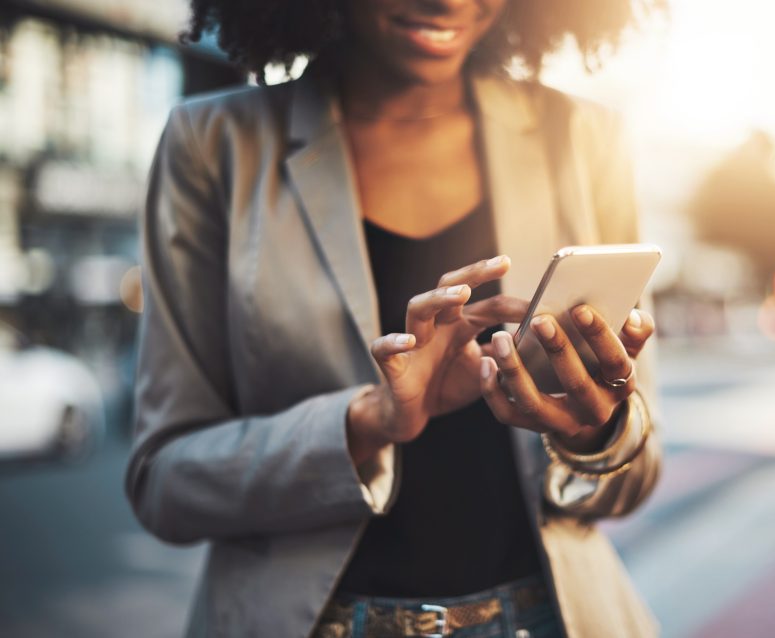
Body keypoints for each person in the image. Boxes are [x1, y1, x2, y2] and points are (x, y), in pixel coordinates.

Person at [125, 1, 663, 636]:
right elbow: (164, 483)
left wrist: (591, 437)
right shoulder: (213, 143)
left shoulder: (582, 137)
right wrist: (366, 422)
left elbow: (639, 470)